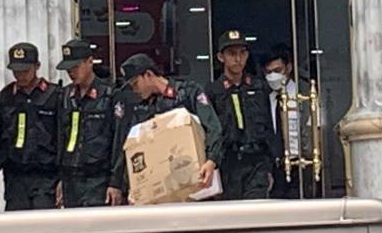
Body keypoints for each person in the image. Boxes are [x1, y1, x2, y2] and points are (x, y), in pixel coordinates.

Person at [112, 53, 223, 199]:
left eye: (135, 84)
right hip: (161, 192)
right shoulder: (141, 107)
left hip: (197, 181)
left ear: (148, 75)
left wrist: (211, 161)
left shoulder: (188, 92)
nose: (135, 90)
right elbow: (130, 146)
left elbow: (213, 127)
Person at [207, 30, 281, 200]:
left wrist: (271, 164)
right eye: (232, 54)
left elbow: (269, 127)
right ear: (221, 57)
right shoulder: (214, 90)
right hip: (228, 163)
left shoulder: (258, 87)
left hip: (257, 160)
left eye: (242, 53)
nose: (238, 59)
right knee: (230, 212)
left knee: (256, 208)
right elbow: (210, 131)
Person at [0, 43, 60, 211]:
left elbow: (61, 138)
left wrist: (63, 179)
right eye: (16, 71)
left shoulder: (55, 95)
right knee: (17, 224)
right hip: (15, 176)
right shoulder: (5, 97)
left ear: (37, 66)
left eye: (25, 70)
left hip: (46, 176)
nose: (20, 75)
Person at [55, 39, 123, 208]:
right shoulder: (66, 96)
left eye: (76, 67)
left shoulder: (109, 95)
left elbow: (118, 142)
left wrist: (115, 182)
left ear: (90, 62)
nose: (71, 73)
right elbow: (61, 138)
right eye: (68, 69)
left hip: (99, 179)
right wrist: (60, 179)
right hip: (71, 178)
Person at [264, 42, 312, 200]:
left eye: (277, 70)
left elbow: (313, 131)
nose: (273, 76)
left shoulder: (304, 96)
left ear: (288, 68)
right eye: (269, 72)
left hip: (301, 164)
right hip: (276, 168)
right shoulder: (266, 99)